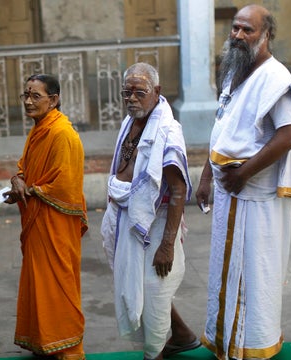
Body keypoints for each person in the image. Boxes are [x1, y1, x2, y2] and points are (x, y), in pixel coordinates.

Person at [194, 5, 291, 360]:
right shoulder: (236, 71)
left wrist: (244, 173)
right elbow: (223, 130)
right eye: (235, 28)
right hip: (230, 193)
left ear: (266, 36)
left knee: (254, 274)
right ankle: (226, 340)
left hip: (255, 199)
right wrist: (207, 175)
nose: (237, 35)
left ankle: (254, 345)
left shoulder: (275, 79)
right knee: (225, 269)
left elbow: (290, 134)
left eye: (247, 30)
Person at [100, 62, 197, 360]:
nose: (131, 99)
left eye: (139, 92)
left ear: (157, 92)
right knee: (141, 287)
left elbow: (178, 190)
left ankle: (153, 354)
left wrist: (167, 245)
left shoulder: (167, 130)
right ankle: (182, 335)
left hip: (157, 225)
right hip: (129, 218)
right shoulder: (130, 123)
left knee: (154, 291)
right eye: (126, 93)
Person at [4, 74, 88, 359]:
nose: (28, 101)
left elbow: (65, 184)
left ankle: (66, 346)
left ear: (54, 100)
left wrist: (30, 189)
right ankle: (44, 341)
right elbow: (25, 165)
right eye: (25, 95)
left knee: (57, 284)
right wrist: (18, 179)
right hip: (37, 219)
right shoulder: (40, 128)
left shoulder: (62, 133)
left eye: (35, 96)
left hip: (55, 223)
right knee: (39, 284)